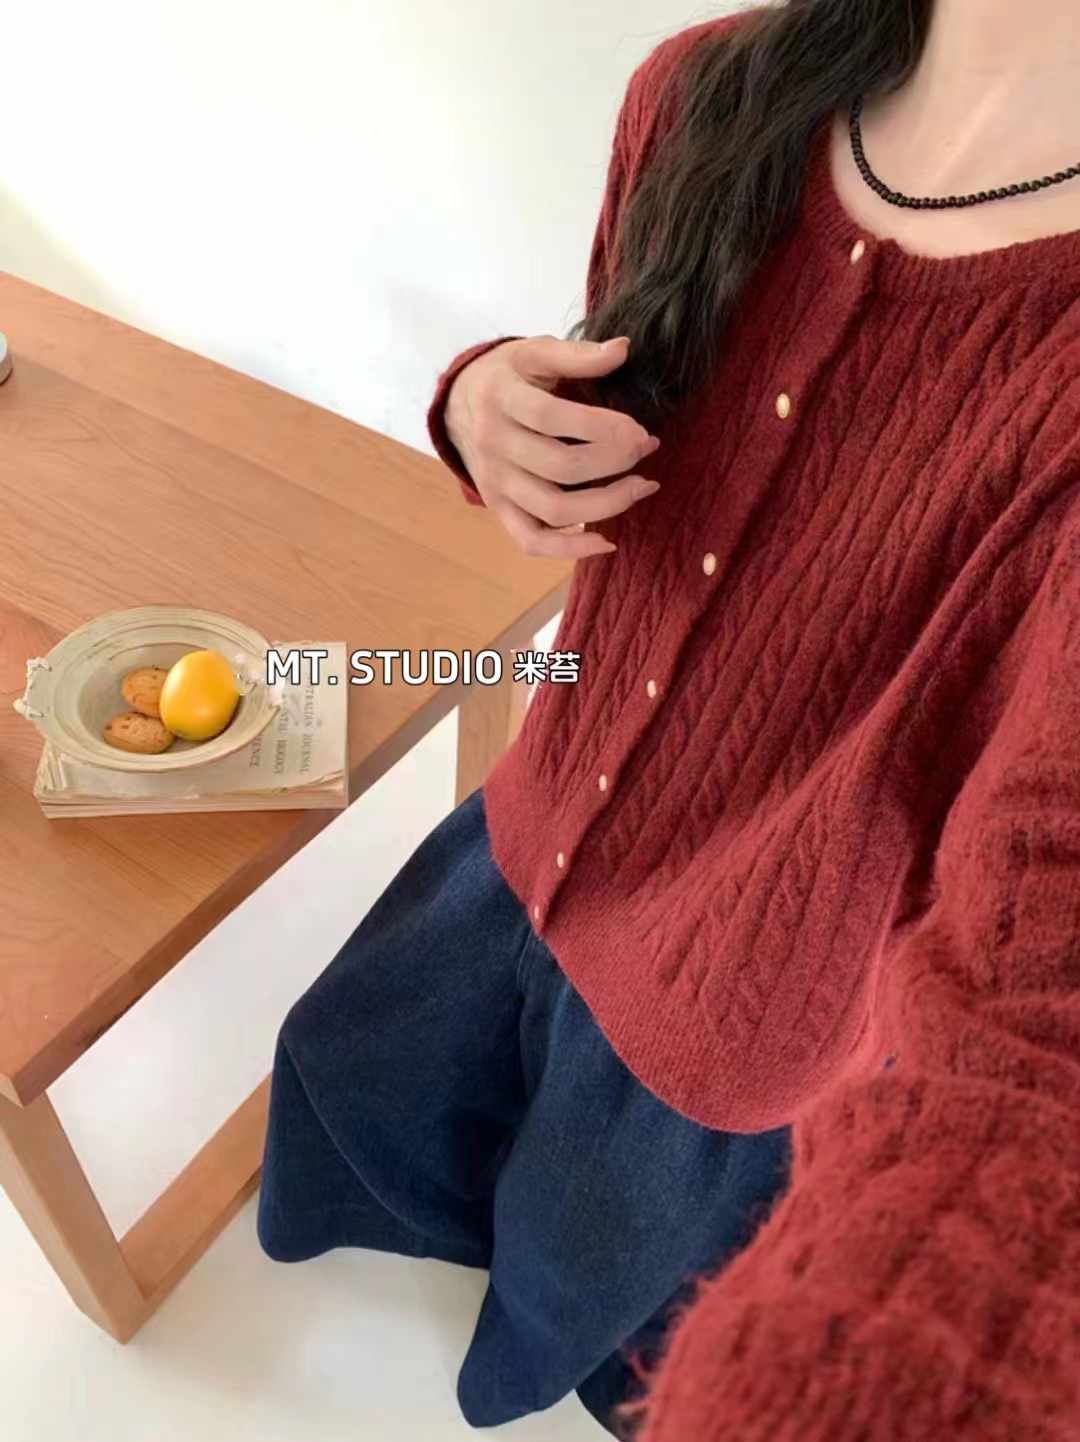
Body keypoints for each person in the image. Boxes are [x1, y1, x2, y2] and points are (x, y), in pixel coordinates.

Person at [257, 2, 1080, 1437]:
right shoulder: (709, 88)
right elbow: (633, 406)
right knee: (353, 1079)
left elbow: (1039, 984)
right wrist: (485, 408)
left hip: (743, 1001)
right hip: (527, 830)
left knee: (576, 1282)